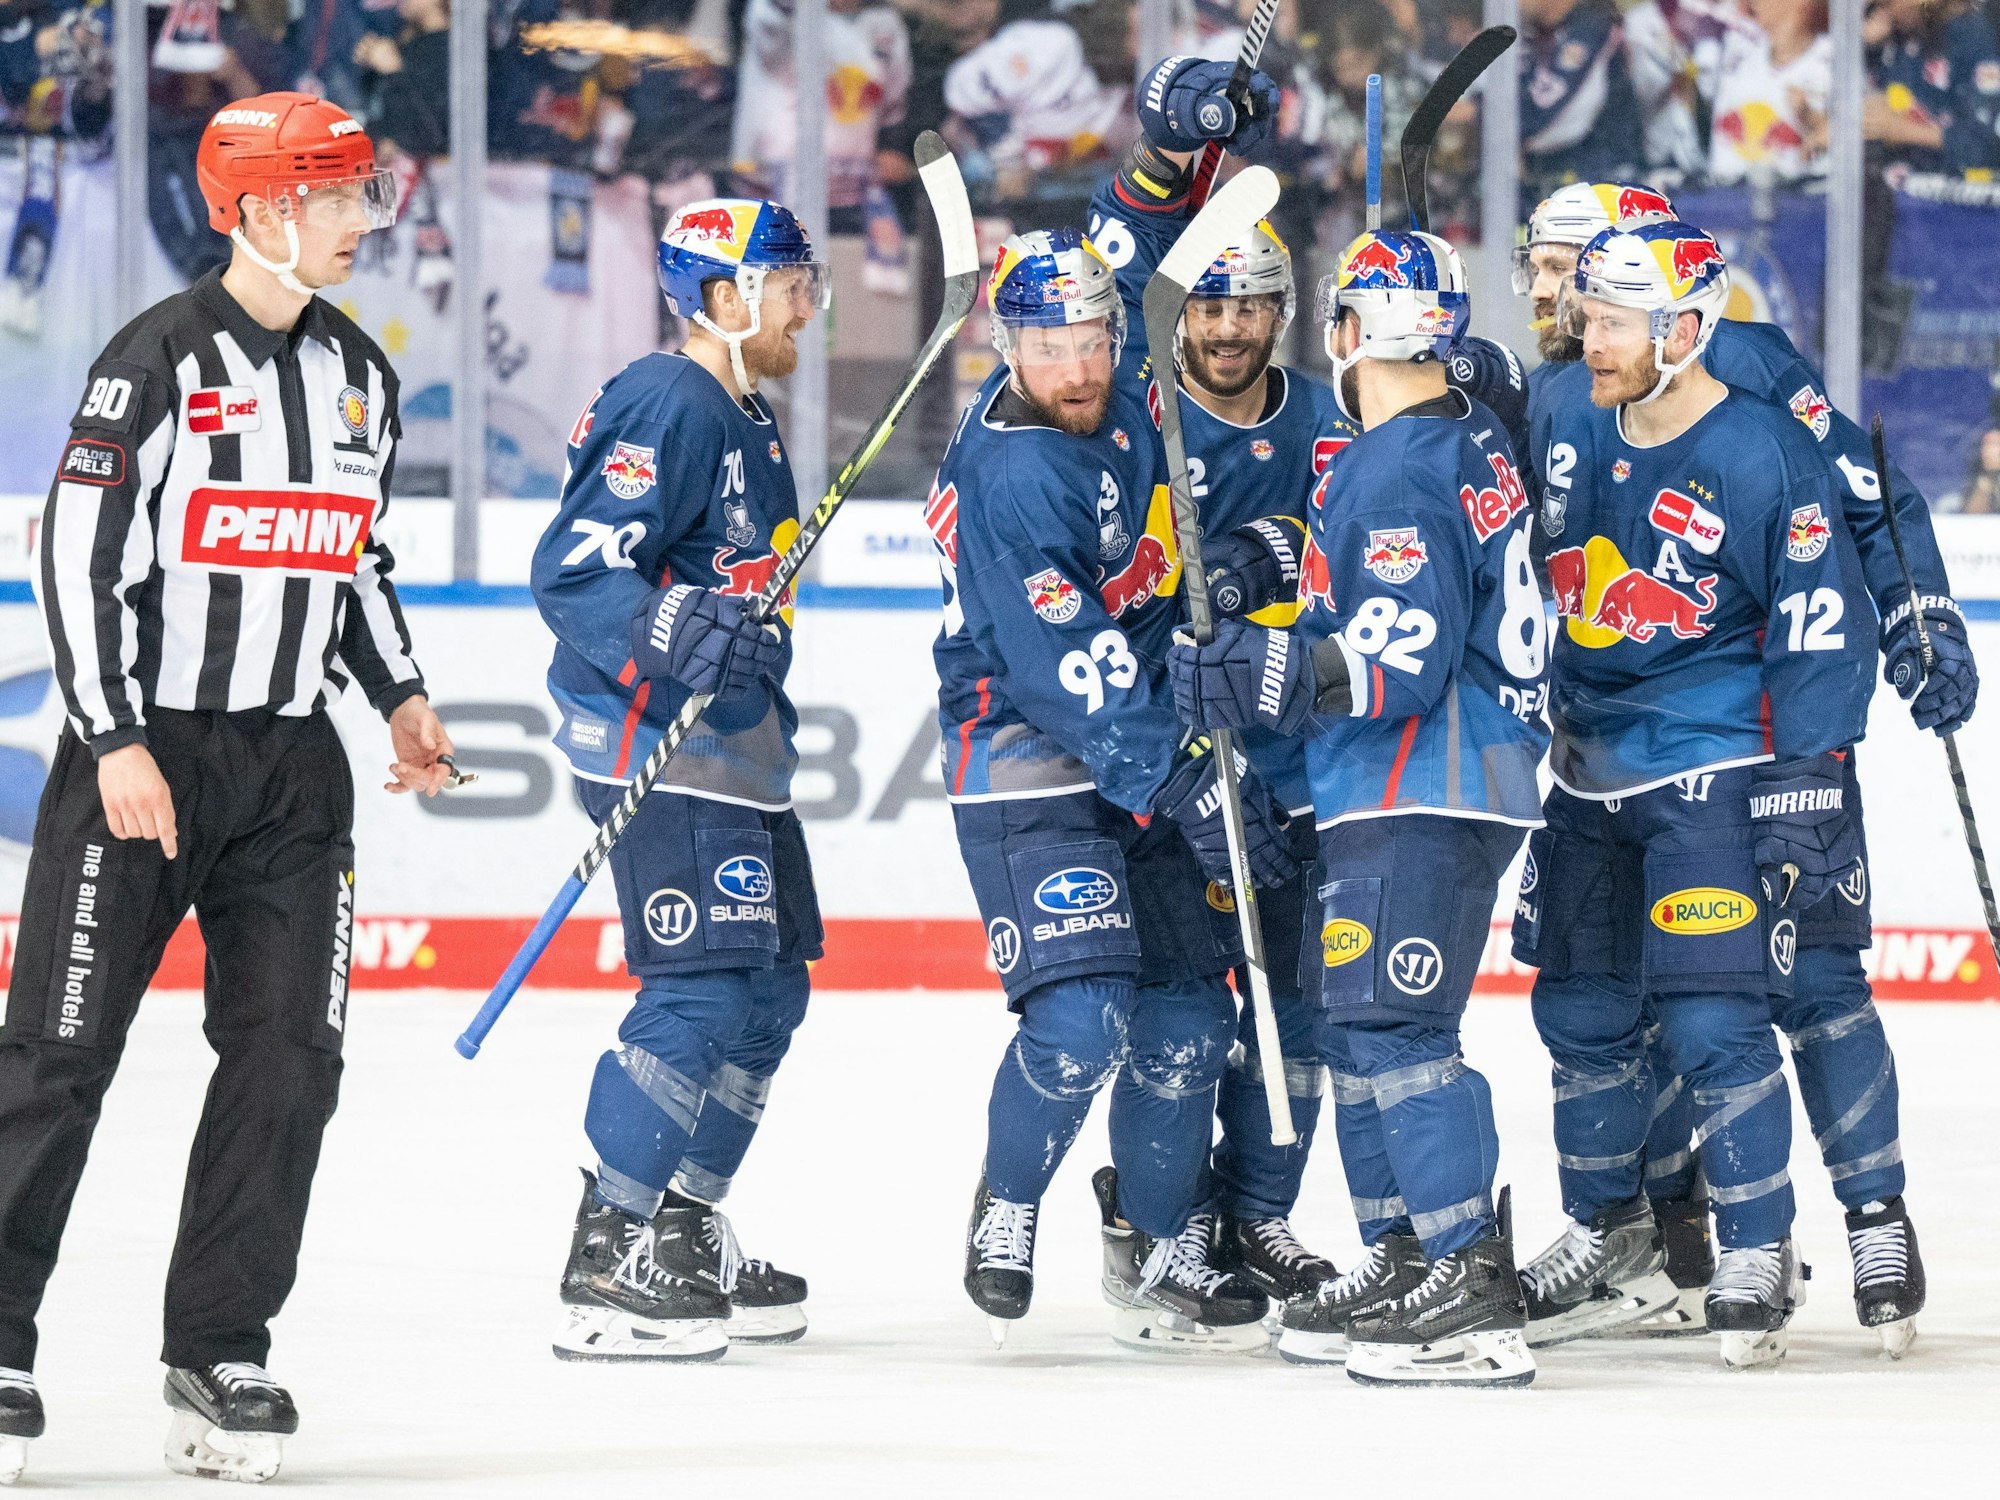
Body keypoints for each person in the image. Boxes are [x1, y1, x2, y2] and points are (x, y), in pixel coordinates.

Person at [0, 91, 455, 1485]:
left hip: (291, 776)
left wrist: (404, 696)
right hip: (143, 759)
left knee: (287, 1059)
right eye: (336, 198)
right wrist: (117, 739)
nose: (361, 223)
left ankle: (220, 1342)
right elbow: (73, 563)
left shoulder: (358, 378)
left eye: (361, 195)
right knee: (60, 1056)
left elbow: (354, 558)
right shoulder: (154, 366)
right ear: (260, 211)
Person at [1511, 182, 1971, 1353]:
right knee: (1630, 1006)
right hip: (1608, 758)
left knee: (1805, 986)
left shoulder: (1754, 374)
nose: (1551, 296)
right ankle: (1666, 1234)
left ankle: (1867, 1213)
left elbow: (1859, 506)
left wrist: (1918, 615)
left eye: (1571, 271)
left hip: (1758, 742)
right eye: (1542, 269)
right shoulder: (1561, 392)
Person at [1171, 226, 1549, 1387]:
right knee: (1354, 1023)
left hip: (1420, 780)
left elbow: (1400, 657)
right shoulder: (1460, 438)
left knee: (1395, 1026)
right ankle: (1400, 1254)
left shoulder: (1396, 466)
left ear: (1345, 331)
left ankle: (1466, 1284)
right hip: (1422, 783)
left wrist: (1263, 669)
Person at [931, 211, 1296, 1354]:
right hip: (1027, 752)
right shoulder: (1012, 471)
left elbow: (1135, 248)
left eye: (1092, 340)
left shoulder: (1121, 367)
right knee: (1082, 1021)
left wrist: (1167, 155)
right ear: (1005, 347)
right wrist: (1183, 778)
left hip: (1144, 740)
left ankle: (1155, 1237)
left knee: (1191, 1021)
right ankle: (1007, 1201)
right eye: (1050, 347)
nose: (1079, 368)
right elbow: (1062, 672)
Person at [529, 196, 828, 1363]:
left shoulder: (746, 412)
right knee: (702, 992)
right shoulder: (671, 399)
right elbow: (576, 568)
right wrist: (676, 627)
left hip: (738, 753)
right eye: (792, 282)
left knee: (766, 999)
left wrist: (721, 629)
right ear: (724, 297)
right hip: (662, 744)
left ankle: (682, 1225)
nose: (811, 303)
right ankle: (609, 1253)